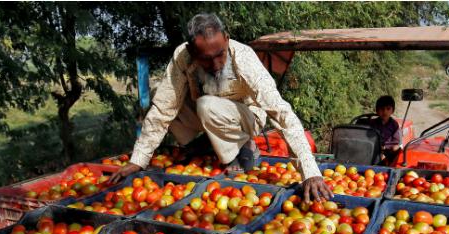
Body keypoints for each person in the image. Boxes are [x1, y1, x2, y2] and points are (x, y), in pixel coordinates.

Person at [109, 13, 332, 202]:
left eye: (220, 55)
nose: (216, 65)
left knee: (206, 105)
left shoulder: (244, 58)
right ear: (192, 51)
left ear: (226, 39)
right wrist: (137, 160)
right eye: (207, 59)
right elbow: (163, 109)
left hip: (247, 118)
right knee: (163, 101)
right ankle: (206, 144)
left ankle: (241, 149)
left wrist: (310, 172)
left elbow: (281, 113)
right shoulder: (183, 57)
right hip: (209, 115)